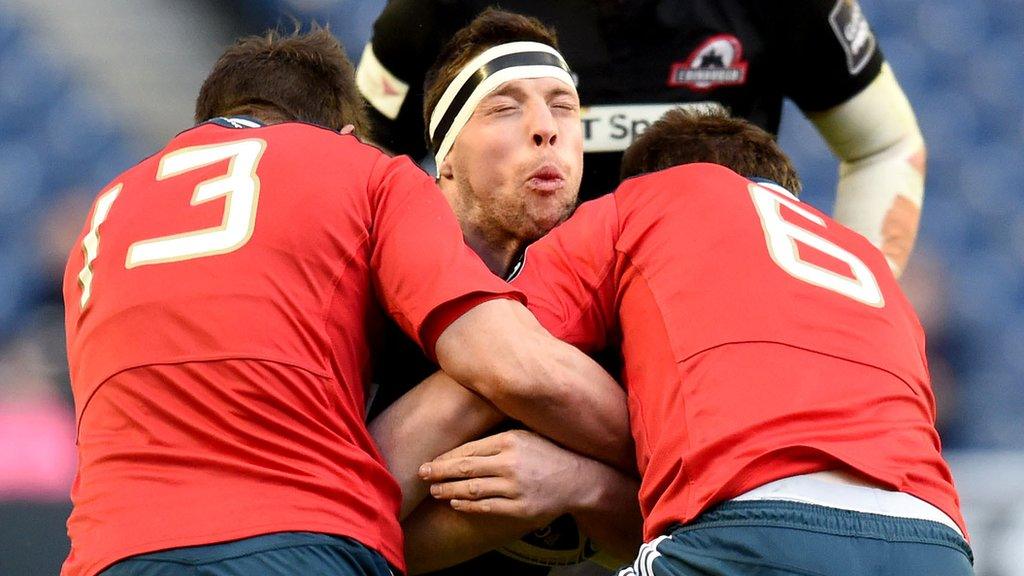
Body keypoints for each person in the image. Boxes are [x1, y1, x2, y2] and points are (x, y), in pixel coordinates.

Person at [61, 27, 631, 576]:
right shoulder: (363, 171)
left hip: (109, 549)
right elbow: (512, 366)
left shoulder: (100, 217)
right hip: (296, 538)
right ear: (346, 135)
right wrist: (673, 469)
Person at [419, 109, 974, 575]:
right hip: (936, 540)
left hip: (754, 530)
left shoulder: (655, 198)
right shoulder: (874, 268)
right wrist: (584, 484)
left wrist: (344, 534)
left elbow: (495, 354)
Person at [357, 0, 926, 276]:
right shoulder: (435, 6)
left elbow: (884, 146)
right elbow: (355, 166)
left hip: (707, 330)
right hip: (504, 328)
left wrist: (861, 313)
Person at [365, 10, 642, 575]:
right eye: (505, 107)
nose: (547, 128)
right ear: (443, 155)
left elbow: (667, 530)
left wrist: (579, 485)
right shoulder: (361, 292)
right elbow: (315, 531)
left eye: (564, 107)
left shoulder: (621, 297)